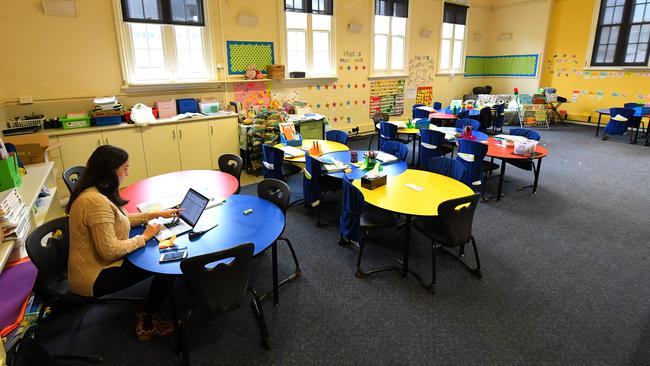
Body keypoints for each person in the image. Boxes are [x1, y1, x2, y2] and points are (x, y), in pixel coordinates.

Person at [66, 145, 179, 341]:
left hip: (97, 263)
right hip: (94, 276)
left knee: (153, 251)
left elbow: (122, 219)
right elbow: (109, 251)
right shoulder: (94, 202)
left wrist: (156, 214)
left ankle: (148, 310)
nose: (127, 172)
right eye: (125, 168)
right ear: (111, 170)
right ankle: (147, 322)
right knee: (164, 264)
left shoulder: (99, 190)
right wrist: (143, 237)